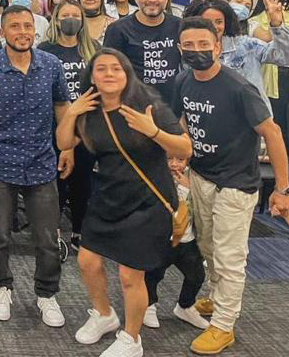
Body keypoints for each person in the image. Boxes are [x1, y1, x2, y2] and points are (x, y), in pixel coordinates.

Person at [56, 49, 192, 357]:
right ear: (91, 77)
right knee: (87, 262)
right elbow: (64, 142)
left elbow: (185, 149)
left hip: (148, 200)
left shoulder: (148, 105)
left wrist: (153, 131)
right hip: (108, 197)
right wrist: (72, 112)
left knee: (131, 276)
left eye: (115, 68)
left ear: (126, 74)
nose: (108, 74)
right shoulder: (88, 110)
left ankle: (132, 338)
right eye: (101, 69)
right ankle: (104, 315)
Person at [171, 17, 289, 355]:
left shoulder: (238, 87)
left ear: (217, 46)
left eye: (203, 45)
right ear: (180, 49)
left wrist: (283, 189)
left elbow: (273, 133)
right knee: (208, 248)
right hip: (200, 177)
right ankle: (216, 296)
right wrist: (179, 158)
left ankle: (224, 325)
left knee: (228, 256)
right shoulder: (183, 81)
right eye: (189, 46)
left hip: (235, 184)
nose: (196, 51)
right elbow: (183, 121)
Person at [0, 5, 71, 327]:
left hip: (41, 163)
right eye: (15, 26)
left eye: (27, 26)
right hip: (1, 163)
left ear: (34, 31)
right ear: (3, 32)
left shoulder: (51, 65)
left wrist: (68, 148)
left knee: (47, 239)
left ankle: (46, 295)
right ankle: (2, 287)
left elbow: (62, 107)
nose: (22, 32)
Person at [39, 0, 100, 250]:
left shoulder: (92, 48)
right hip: (53, 124)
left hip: (85, 125)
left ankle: (79, 231)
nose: (71, 19)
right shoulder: (45, 50)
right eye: (66, 15)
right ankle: (53, 232)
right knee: (55, 181)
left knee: (82, 181)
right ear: (56, 19)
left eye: (76, 15)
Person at [183, 0, 289, 112]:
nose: (214, 26)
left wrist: (277, 25)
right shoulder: (189, 51)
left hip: (252, 120)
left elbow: (285, 57)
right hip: (208, 116)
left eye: (219, 22)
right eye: (207, 22)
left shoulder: (246, 45)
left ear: (226, 23)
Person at [142, 157, 210, 332]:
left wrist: (188, 187)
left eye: (179, 159)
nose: (174, 164)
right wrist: (182, 189)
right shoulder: (157, 178)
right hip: (161, 241)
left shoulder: (193, 178)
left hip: (187, 241)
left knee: (196, 276)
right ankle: (148, 305)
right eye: (169, 159)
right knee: (153, 275)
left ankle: (185, 306)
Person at [102, 0, 181, 101]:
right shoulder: (118, 30)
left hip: (171, 106)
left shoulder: (179, 26)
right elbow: (109, 70)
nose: (152, 0)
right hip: (133, 105)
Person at [247, 0, 289, 147]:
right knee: (277, 118)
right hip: (272, 74)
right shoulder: (255, 19)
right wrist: (276, 22)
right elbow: (265, 38)